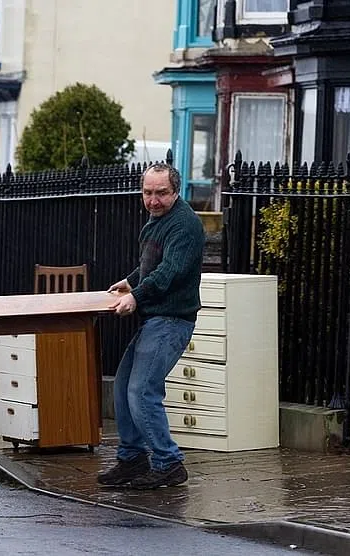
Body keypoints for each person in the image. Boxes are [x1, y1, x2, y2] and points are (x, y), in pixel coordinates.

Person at [97, 163, 205, 490]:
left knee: (142, 391)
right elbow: (150, 265)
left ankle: (168, 463)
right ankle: (131, 459)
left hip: (171, 320)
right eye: (147, 193)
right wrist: (130, 282)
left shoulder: (185, 225)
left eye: (161, 193)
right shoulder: (158, 220)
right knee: (123, 386)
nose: (153, 200)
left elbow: (169, 272)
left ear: (176, 191)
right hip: (155, 317)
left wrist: (137, 297)